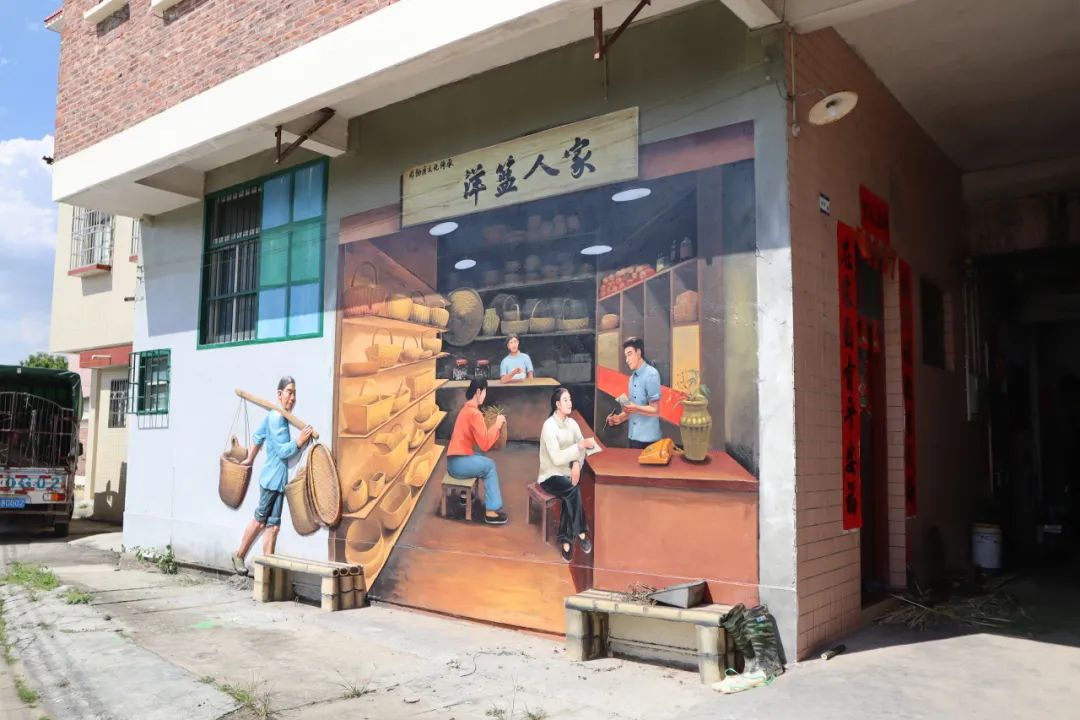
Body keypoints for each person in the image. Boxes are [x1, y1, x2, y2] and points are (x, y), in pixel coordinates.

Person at [230, 376, 314, 575]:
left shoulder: (276, 416)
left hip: (279, 481)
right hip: (271, 480)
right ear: (279, 394)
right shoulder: (277, 418)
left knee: (273, 526)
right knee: (260, 521)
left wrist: (250, 459)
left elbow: (259, 435)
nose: (292, 398)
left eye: (294, 393)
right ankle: (239, 555)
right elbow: (284, 451)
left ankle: (267, 569)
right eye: (289, 392)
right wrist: (299, 441)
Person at [539, 387, 597, 562]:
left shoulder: (572, 424)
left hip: (568, 472)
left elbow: (582, 446)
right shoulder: (549, 426)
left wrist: (577, 463)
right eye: (565, 400)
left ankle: (566, 541)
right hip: (550, 475)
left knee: (569, 493)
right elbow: (557, 458)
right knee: (572, 490)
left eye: (570, 399)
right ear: (557, 404)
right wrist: (578, 448)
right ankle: (581, 532)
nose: (570, 403)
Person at [446, 378, 508, 525]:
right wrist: (497, 425)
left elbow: (478, 443)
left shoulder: (465, 410)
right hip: (458, 465)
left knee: (479, 456)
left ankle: (464, 495)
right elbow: (485, 444)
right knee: (489, 465)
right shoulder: (475, 414)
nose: (485, 396)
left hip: (453, 462)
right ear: (479, 392)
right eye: (485, 392)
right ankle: (491, 512)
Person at [607, 337, 662, 449]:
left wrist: (635, 407)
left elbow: (655, 410)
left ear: (638, 353)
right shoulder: (632, 378)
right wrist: (619, 418)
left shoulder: (652, 374)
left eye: (629, 354)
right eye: (626, 356)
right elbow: (632, 410)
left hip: (649, 440)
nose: (627, 360)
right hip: (633, 437)